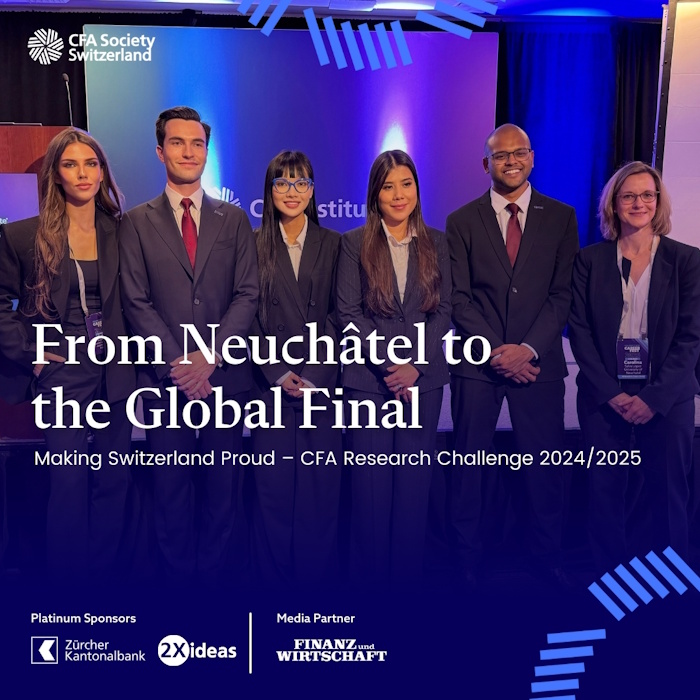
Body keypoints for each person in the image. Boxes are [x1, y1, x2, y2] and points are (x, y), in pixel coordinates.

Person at [119, 106, 258, 582]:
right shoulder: (135, 222)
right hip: (166, 383)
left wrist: (209, 357)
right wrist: (180, 364)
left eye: (197, 143)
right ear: (160, 152)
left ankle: (215, 591)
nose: (188, 151)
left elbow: (247, 294)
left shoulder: (233, 219)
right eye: (177, 142)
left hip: (224, 380)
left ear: (206, 151)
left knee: (223, 493)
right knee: (171, 494)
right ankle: (178, 591)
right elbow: (135, 300)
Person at [446, 124, 579, 585]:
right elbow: (458, 298)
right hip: (477, 365)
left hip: (538, 364)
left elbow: (562, 294)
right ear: (487, 164)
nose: (511, 161)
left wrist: (525, 350)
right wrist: (496, 353)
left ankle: (547, 560)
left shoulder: (561, 217)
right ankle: (465, 563)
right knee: (468, 468)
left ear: (532, 158)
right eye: (501, 156)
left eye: (519, 153)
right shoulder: (461, 220)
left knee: (544, 470)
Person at [0, 127, 135, 579]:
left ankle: (104, 584)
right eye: (71, 164)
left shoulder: (126, 231)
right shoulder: (23, 235)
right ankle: (69, 589)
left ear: (102, 172)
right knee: (69, 483)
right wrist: (32, 353)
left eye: (91, 164)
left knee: (114, 481)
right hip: (62, 374)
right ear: (56, 174)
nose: (83, 173)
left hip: (118, 370)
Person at [568, 161, 700, 569]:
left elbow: (691, 337)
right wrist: (611, 393)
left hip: (667, 397)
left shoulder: (687, 261)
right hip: (604, 396)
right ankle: (609, 581)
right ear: (613, 204)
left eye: (647, 195)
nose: (638, 203)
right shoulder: (589, 261)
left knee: (667, 497)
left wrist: (653, 398)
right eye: (628, 196)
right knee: (604, 494)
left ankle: (667, 583)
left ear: (658, 201)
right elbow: (579, 332)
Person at [336, 150, 451, 586]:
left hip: (423, 385)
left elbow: (444, 311)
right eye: (388, 186)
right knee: (370, 495)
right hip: (369, 384)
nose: (399, 194)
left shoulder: (438, 242)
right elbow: (348, 313)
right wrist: (390, 364)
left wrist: (415, 366)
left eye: (406, 184)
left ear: (417, 189)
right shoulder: (353, 243)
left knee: (412, 495)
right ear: (375, 194)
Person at [249, 150, 342, 587]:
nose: (292, 191)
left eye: (301, 182)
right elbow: (245, 315)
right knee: (273, 490)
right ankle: (273, 589)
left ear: (312, 190)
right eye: (282, 182)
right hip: (270, 387)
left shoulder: (335, 243)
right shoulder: (252, 244)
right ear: (269, 190)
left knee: (319, 492)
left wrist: (315, 374)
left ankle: (315, 587)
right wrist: (278, 372)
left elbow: (342, 315)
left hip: (320, 387)